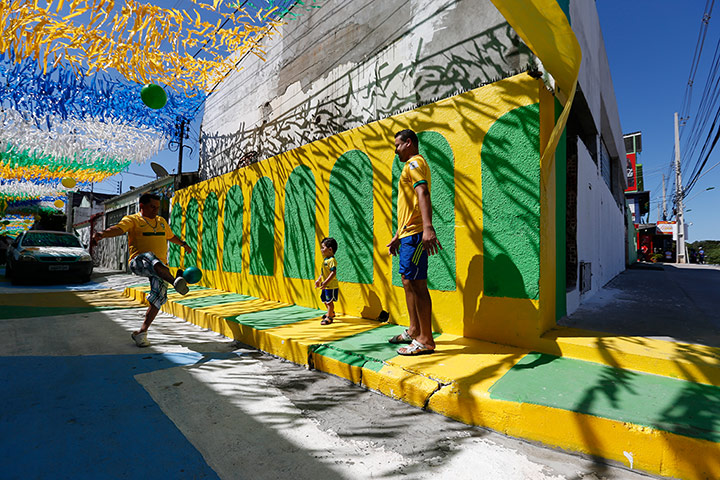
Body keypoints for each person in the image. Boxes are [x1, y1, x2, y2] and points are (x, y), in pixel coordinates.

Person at [91, 193, 192, 347]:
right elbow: (118, 229)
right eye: (152, 207)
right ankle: (174, 281)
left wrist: (183, 244)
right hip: (138, 262)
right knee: (150, 257)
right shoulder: (133, 220)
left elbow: (170, 237)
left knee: (158, 297)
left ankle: (141, 333)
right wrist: (102, 234)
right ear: (142, 206)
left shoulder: (161, 222)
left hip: (159, 268)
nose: (156, 211)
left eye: (158, 208)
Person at [386, 129, 442, 355]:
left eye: (398, 145)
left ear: (409, 143)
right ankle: (414, 329)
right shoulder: (410, 166)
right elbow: (410, 204)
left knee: (418, 285)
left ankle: (426, 340)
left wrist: (428, 228)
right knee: (408, 281)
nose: (396, 150)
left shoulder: (414, 164)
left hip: (417, 233)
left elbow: (423, 193)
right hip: (408, 233)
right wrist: (398, 234)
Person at [314, 237, 339, 325]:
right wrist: (319, 280)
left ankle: (330, 317)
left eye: (323, 247)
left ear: (330, 249)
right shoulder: (325, 260)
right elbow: (323, 273)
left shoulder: (332, 260)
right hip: (325, 285)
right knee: (324, 299)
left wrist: (326, 282)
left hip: (331, 285)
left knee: (329, 302)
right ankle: (331, 312)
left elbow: (333, 272)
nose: (321, 250)